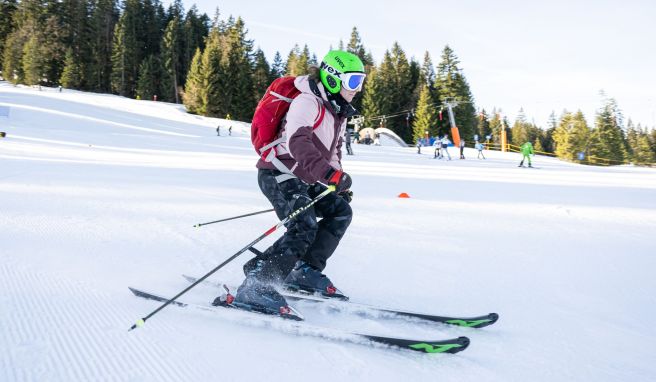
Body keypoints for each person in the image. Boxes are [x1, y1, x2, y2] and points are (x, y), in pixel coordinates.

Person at [228, 50, 365, 313]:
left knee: (340, 212)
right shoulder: (308, 102)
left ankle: (304, 270)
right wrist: (327, 175)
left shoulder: (338, 111)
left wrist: (335, 181)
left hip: (304, 177)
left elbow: (334, 151)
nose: (357, 89)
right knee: (303, 225)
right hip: (278, 173)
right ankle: (258, 283)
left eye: (360, 82)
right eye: (353, 81)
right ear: (333, 79)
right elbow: (297, 142)